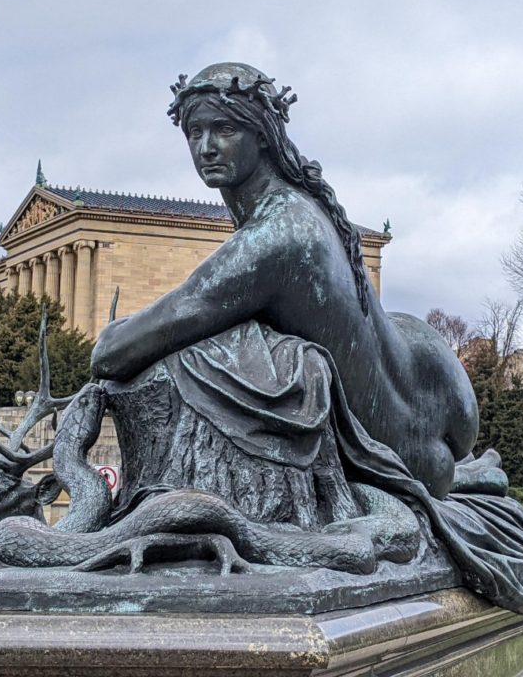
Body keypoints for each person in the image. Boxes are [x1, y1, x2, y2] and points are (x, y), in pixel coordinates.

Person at [92, 63, 478, 499]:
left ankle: (465, 474)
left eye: (224, 129)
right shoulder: (306, 210)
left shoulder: (276, 238)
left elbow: (111, 354)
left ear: (262, 134)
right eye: (194, 132)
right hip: (430, 399)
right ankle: (476, 475)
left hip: (396, 453)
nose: (206, 148)